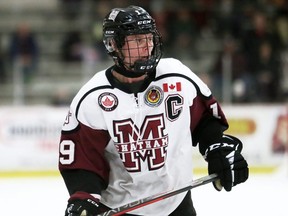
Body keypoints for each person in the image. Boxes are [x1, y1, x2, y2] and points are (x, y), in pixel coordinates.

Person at [58, 5, 249, 216]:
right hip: (122, 209)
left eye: (149, 39)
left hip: (177, 205)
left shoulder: (177, 76)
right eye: (138, 41)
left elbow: (204, 119)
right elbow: (83, 159)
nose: (147, 47)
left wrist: (216, 147)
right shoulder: (93, 98)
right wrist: (84, 197)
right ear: (114, 44)